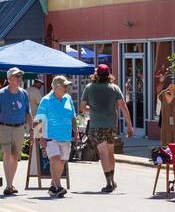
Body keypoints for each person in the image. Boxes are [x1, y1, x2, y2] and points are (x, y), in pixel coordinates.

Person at [79, 63, 134, 193]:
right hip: (111, 124)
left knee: (103, 153)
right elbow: (123, 107)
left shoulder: (89, 88)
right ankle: (113, 180)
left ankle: (108, 182)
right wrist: (130, 126)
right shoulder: (114, 88)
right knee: (110, 152)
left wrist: (92, 110)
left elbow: (82, 107)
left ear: (96, 74)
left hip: (97, 125)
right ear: (109, 74)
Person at [0, 68, 31, 195]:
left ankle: (10, 183)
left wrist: (33, 129)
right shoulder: (1, 94)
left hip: (19, 128)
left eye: (20, 76)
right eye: (16, 76)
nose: (19, 78)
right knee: (7, 154)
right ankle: (8, 185)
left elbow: (28, 113)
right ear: (9, 79)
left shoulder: (24, 93)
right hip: (4, 127)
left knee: (15, 155)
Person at [34, 76, 77, 197]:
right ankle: (58, 186)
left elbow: (73, 116)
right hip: (50, 136)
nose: (66, 88)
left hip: (66, 135)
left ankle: (53, 186)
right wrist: (40, 136)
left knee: (62, 161)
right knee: (55, 159)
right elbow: (38, 119)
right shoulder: (46, 100)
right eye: (64, 86)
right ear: (56, 87)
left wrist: (76, 131)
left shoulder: (68, 98)